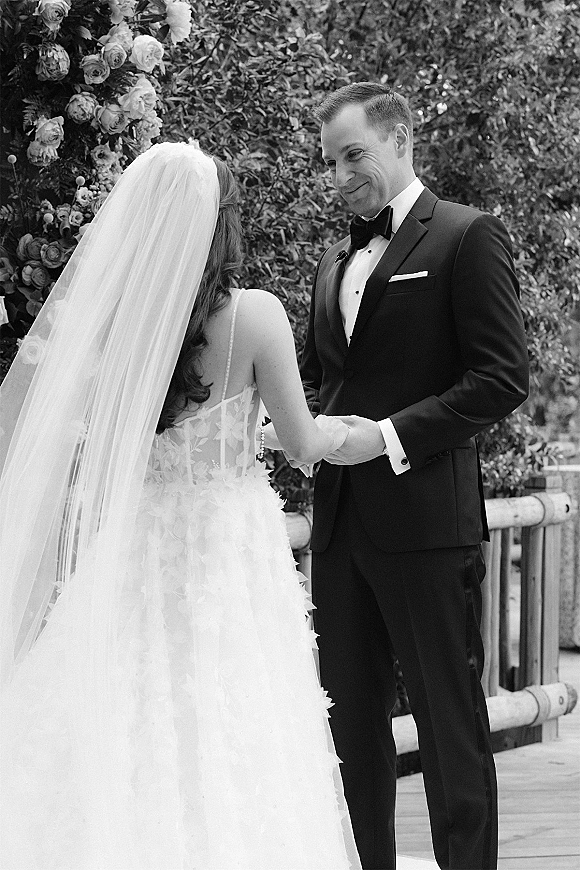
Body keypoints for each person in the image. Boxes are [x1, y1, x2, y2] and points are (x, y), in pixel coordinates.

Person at [0, 143, 363, 869]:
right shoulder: (256, 315)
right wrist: (365, 435)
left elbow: (72, 436)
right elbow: (303, 441)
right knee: (233, 705)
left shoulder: (114, 327)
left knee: (126, 691)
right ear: (221, 224)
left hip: (138, 533)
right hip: (228, 544)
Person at [298, 82, 529, 870]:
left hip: (429, 529)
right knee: (352, 733)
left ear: (399, 138)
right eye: (330, 162)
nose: (340, 176)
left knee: (449, 727)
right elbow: (320, 381)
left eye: (353, 155)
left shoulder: (467, 237)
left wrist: (389, 436)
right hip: (337, 531)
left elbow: (501, 378)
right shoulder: (333, 257)